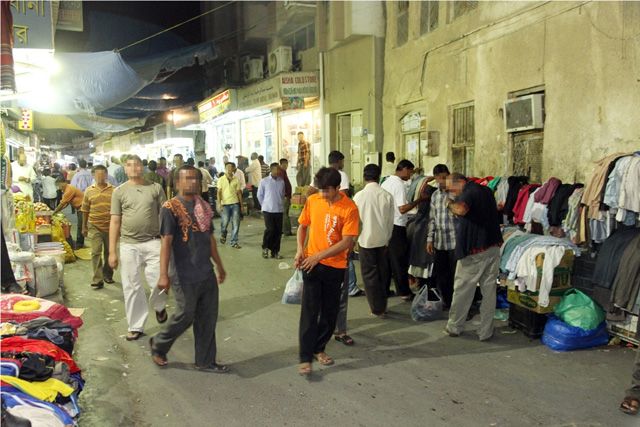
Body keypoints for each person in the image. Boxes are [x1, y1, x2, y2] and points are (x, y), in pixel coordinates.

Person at [149, 165, 229, 373]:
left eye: (195, 178)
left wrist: (219, 266)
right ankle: (159, 343)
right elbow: (166, 243)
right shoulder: (170, 208)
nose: (192, 182)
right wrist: (163, 275)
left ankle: (205, 361)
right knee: (185, 315)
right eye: (187, 178)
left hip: (205, 272)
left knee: (207, 318)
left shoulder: (204, 206)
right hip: (183, 274)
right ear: (177, 183)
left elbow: (210, 239)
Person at [295, 167, 359, 376]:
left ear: (337, 187)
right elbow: (302, 226)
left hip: (335, 267)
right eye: (320, 189)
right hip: (311, 264)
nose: (322, 194)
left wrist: (319, 256)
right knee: (310, 312)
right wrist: (300, 250)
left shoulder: (349, 208)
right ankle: (305, 357)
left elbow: (347, 242)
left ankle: (319, 348)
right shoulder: (313, 201)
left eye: (327, 190)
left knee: (330, 313)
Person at [109, 155, 168, 341]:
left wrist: (168, 242)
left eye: (137, 164)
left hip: (153, 241)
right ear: (125, 169)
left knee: (159, 280)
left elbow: (165, 216)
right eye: (129, 165)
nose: (134, 168)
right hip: (128, 244)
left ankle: (159, 306)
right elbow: (115, 221)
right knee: (132, 286)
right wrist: (112, 251)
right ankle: (135, 326)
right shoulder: (119, 192)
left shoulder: (156, 188)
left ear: (142, 167)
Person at [444, 173, 502, 341]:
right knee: (489, 291)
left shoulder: (469, 192)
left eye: (451, 188)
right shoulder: (486, 190)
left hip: (475, 251)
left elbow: (461, 210)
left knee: (462, 290)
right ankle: (486, 331)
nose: (452, 192)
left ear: (460, 182)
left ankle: (454, 326)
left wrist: (449, 204)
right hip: (492, 247)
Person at [353, 164, 394, 317]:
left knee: (369, 275)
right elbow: (390, 221)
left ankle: (377, 308)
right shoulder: (386, 196)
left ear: (364, 177)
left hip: (365, 240)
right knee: (383, 273)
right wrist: (387, 239)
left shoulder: (358, 197)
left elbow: (355, 222)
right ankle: (382, 304)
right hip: (382, 240)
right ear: (379, 176)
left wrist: (354, 240)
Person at [381, 159, 424, 301]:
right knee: (399, 260)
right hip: (397, 226)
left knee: (387, 261)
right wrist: (419, 200)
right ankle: (404, 292)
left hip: (386, 225)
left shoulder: (386, 182)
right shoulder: (398, 184)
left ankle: (384, 289)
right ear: (404, 169)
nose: (410, 176)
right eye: (410, 172)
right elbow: (402, 208)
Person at [426, 164, 457, 309]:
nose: (442, 181)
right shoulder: (435, 196)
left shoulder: (456, 193)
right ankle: (447, 301)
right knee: (442, 274)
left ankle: (459, 304)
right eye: (439, 179)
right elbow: (432, 218)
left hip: (455, 241)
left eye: (444, 178)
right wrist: (430, 239)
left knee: (456, 275)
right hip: (440, 241)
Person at [81, 165, 115, 289]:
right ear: (93, 176)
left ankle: (107, 274)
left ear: (106, 175)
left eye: (102, 174)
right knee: (96, 252)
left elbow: (119, 210)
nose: (100, 177)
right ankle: (97, 279)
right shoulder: (89, 191)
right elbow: (85, 209)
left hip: (110, 226)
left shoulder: (114, 190)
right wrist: (84, 226)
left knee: (109, 252)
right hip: (94, 225)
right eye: (97, 175)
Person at [258, 163, 285, 259]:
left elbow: (282, 194)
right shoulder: (264, 181)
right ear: (272, 170)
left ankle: (275, 251)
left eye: (279, 170)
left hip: (279, 210)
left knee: (278, 232)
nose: (278, 171)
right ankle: (265, 248)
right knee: (270, 229)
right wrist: (264, 205)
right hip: (268, 210)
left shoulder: (281, 181)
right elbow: (259, 195)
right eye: (277, 169)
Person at [217, 162, 243, 249]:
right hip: (225, 204)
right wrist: (219, 203)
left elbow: (239, 193)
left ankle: (234, 241)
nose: (229, 169)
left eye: (231, 167)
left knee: (236, 223)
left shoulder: (236, 179)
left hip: (235, 203)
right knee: (225, 222)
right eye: (227, 167)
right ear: (225, 168)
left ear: (233, 169)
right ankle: (223, 233)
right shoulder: (221, 179)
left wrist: (241, 205)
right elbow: (219, 192)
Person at [53, 178, 85, 249]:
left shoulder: (69, 189)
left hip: (83, 208)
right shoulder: (67, 189)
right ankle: (79, 242)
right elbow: (66, 203)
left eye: (58, 185)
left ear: (62, 183)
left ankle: (79, 244)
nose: (59, 187)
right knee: (80, 225)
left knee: (81, 226)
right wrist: (59, 210)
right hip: (80, 208)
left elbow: (62, 203)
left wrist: (55, 212)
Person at [279, 159, 293, 236]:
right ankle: (287, 231)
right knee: (285, 214)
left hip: (286, 196)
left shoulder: (283, 172)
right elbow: (281, 185)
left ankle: (282, 230)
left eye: (286, 164)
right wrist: (284, 195)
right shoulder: (281, 172)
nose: (286, 166)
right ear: (280, 164)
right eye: (284, 165)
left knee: (284, 213)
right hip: (284, 197)